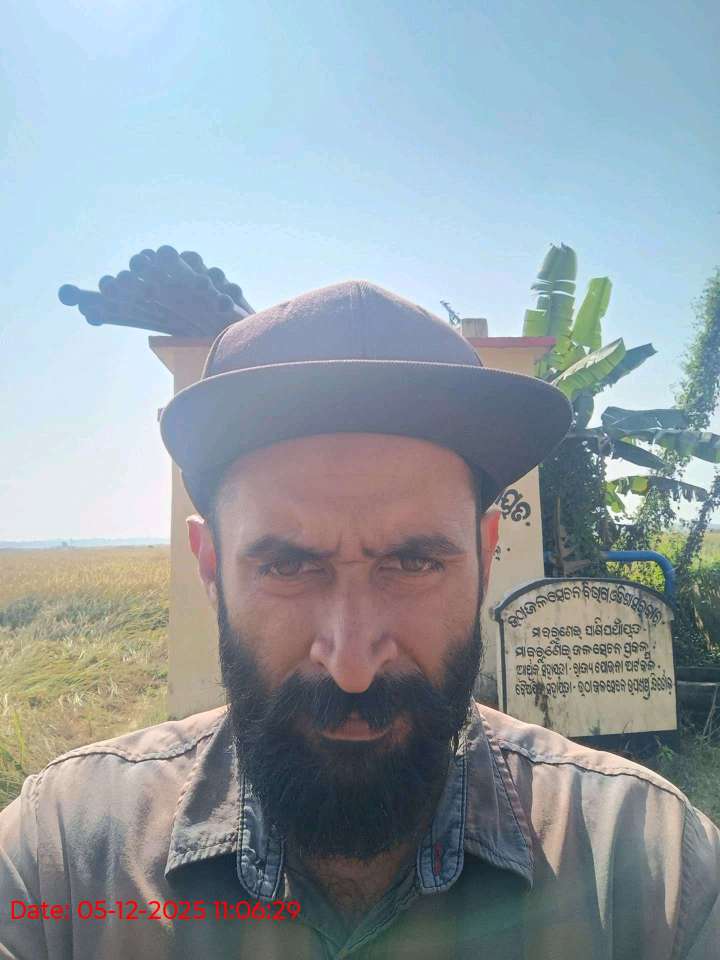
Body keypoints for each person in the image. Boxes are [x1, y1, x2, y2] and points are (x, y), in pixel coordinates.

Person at [1, 280, 718, 959]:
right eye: (288, 567)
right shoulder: (61, 858)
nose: (351, 664)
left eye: (413, 562)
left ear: (485, 555)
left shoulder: (654, 871)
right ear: (211, 566)